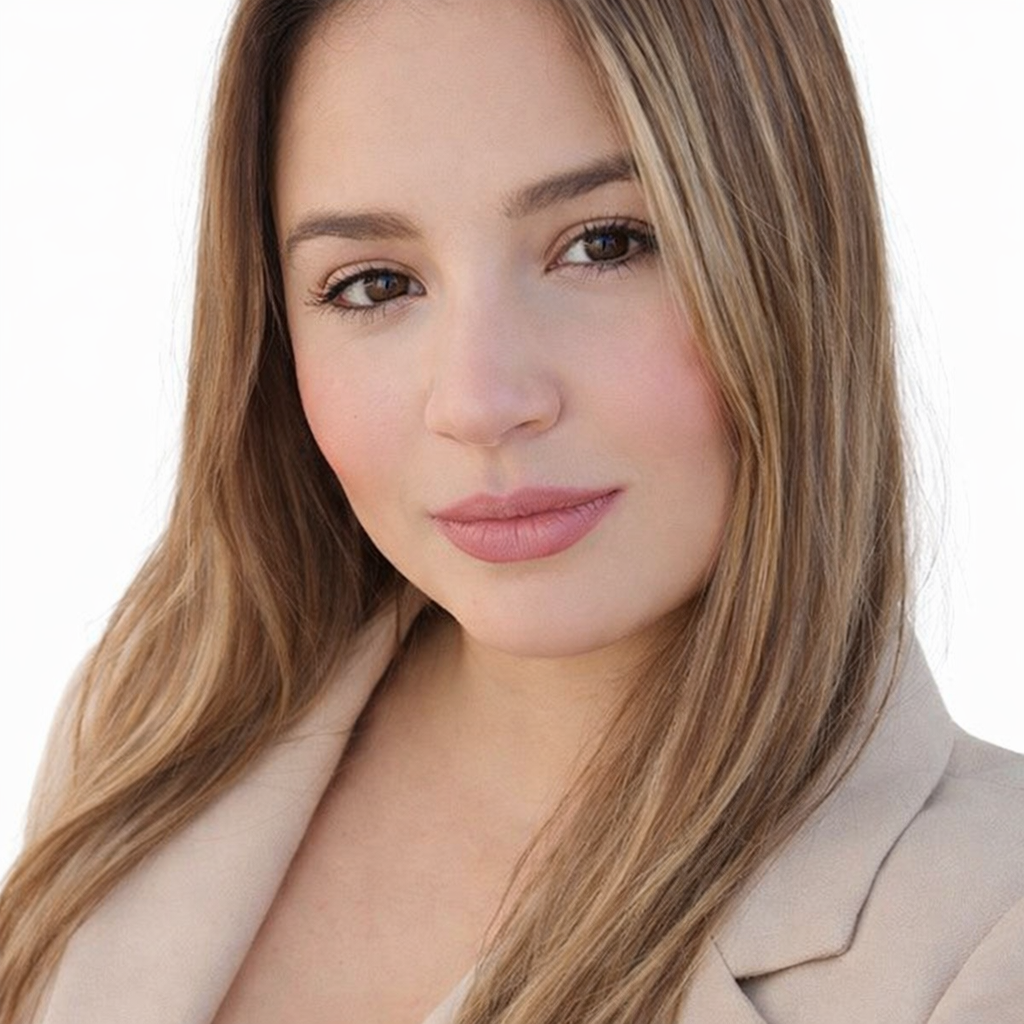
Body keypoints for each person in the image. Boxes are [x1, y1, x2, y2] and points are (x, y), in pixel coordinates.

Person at [0, 0, 1021, 1021]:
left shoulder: (986, 934)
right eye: (375, 284)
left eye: (604, 244)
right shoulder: (153, 718)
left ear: (795, 256)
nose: (479, 403)